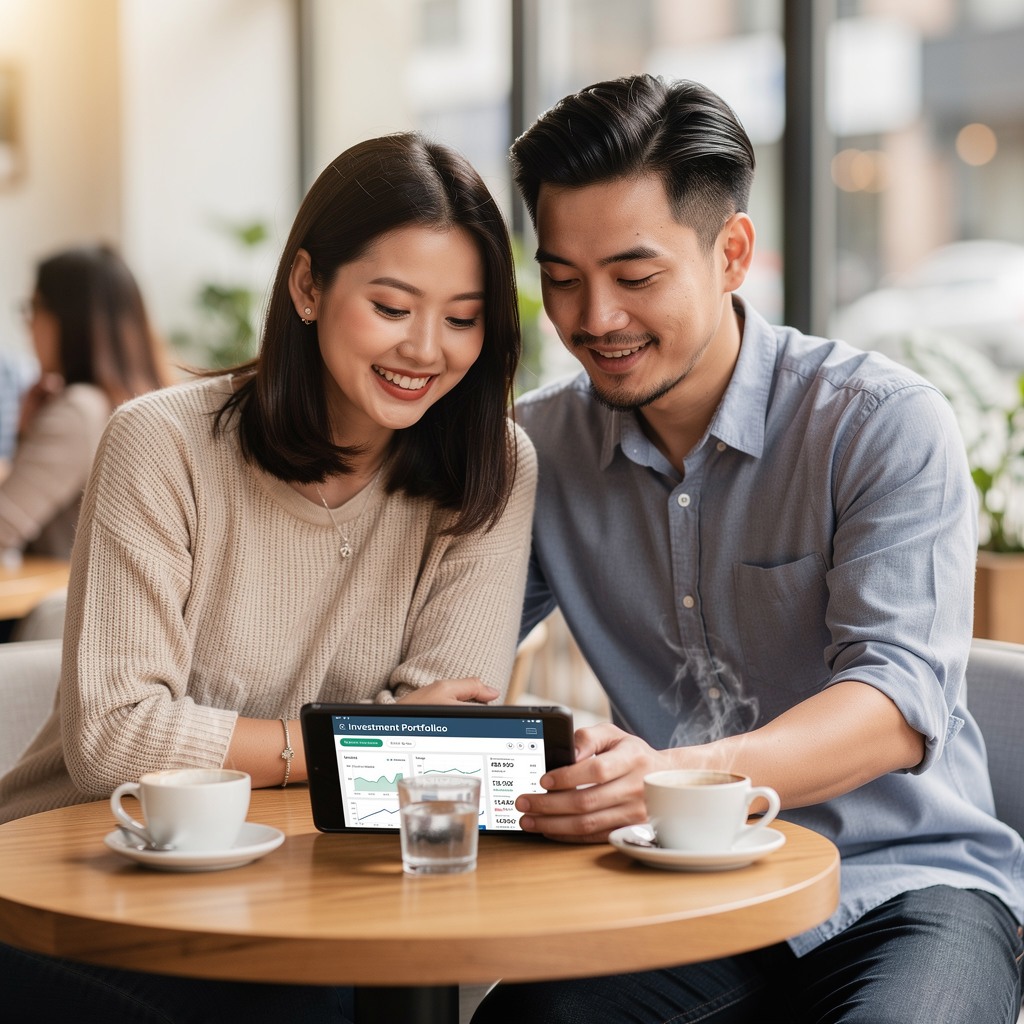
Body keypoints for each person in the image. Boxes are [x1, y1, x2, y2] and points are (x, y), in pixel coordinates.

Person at [472, 75, 1024, 1023]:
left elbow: (894, 705)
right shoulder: (537, 449)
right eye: (561, 279)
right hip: (681, 883)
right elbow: (454, 659)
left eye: (635, 278)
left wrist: (672, 775)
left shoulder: (878, 424)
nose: (593, 319)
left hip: (904, 886)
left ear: (731, 252)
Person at [0, 132, 536, 1022]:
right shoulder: (161, 444)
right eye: (392, 306)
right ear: (308, 286)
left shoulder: (492, 468)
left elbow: (443, 750)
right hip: (77, 880)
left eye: (463, 318)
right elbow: (116, 741)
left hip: (314, 888)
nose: (426, 349)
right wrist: (345, 741)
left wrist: (269, 742)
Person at [0, 244, 170, 560]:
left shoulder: (79, 410)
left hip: (62, 591)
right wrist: (26, 431)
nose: (28, 323)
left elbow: (3, 526)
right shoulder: (148, 404)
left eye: (34, 307)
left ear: (69, 318)